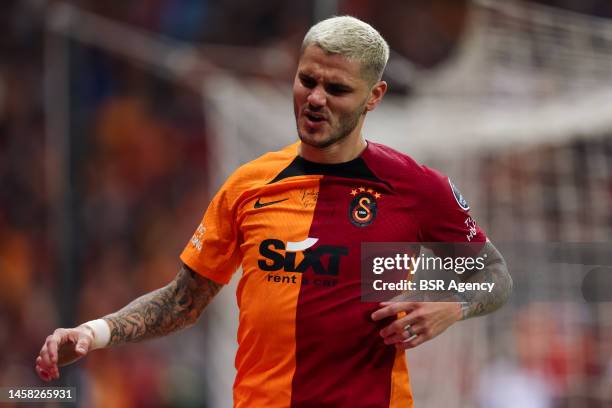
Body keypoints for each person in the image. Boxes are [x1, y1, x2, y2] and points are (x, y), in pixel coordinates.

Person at [36, 16, 512, 407]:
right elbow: (184, 300)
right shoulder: (248, 185)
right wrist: (94, 333)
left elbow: (493, 275)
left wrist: (452, 306)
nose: (316, 98)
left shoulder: (415, 188)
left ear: (375, 97)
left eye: (337, 89)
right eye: (307, 80)